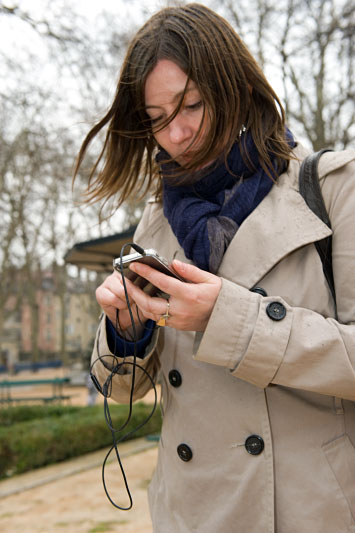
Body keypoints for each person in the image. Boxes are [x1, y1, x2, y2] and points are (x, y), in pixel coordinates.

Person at [74, 4, 355, 532]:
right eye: (156, 120)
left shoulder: (333, 189)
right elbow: (122, 390)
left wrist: (227, 318)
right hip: (192, 513)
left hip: (310, 511)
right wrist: (125, 332)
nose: (176, 135)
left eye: (192, 105)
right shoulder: (154, 226)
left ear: (235, 87)